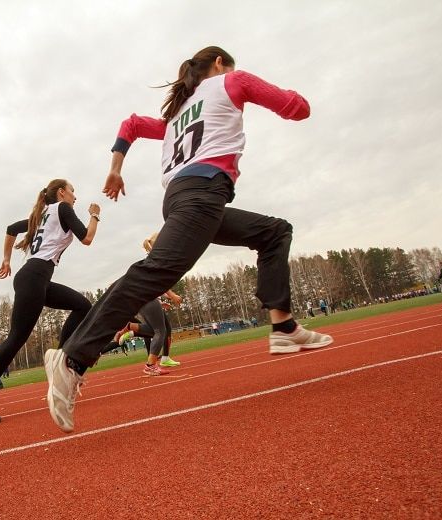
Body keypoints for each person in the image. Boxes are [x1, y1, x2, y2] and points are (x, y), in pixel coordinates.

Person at [44, 45, 333, 433]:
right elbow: (297, 108)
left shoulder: (175, 115)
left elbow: (130, 124)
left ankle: (282, 325)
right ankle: (73, 359)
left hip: (184, 198)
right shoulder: (233, 82)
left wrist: (115, 169)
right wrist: (294, 97)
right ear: (219, 65)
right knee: (155, 272)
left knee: (274, 232)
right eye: (230, 68)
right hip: (203, 194)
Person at [0, 179, 100, 425]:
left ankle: (61, 360)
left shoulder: (41, 215)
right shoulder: (61, 208)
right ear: (61, 193)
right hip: (35, 277)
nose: (75, 196)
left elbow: (10, 228)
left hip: (35, 278)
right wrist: (94, 215)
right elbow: (88, 238)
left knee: (83, 305)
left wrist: (7, 261)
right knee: (16, 338)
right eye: (73, 191)